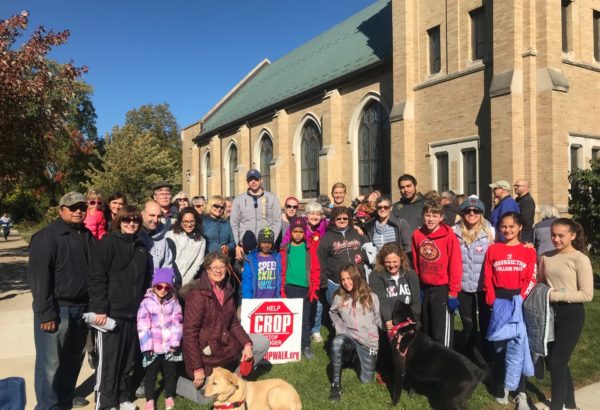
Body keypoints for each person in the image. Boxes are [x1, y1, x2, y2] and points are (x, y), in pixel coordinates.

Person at [27, 192, 93, 410]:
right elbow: (39, 279)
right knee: (50, 366)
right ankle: (47, 407)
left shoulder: (86, 235)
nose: (78, 211)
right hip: (57, 310)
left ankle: (64, 402)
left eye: (82, 207)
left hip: (81, 309)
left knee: (73, 360)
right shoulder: (46, 237)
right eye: (73, 207)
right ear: (61, 210)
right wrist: (45, 313)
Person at [88, 205, 152, 410]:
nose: (131, 224)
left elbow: (145, 281)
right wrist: (100, 308)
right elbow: (97, 277)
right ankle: (106, 403)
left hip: (134, 313)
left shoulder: (142, 247)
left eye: (135, 221)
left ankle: (123, 397)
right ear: (119, 222)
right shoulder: (108, 243)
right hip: (111, 313)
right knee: (109, 362)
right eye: (127, 220)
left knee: (127, 360)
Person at [182, 253, 270, 394]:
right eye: (214, 267)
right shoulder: (197, 295)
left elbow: (234, 323)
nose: (218, 270)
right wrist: (197, 368)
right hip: (205, 357)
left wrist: (247, 344)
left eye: (222, 266)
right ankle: (178, 383)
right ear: (207, 270)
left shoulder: (228, 290)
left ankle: (235, 382)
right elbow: (189, 334)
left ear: (227, 269)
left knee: (262, 342)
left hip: (225, 350)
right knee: (205, 398)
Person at [538, 218, 593, 410]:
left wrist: (556, 296)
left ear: (573, 235)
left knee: (557, 362)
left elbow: (587, 294)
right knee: (555, 360)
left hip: (571, 314)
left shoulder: (580, 259)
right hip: (549, 314)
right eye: (553, 235)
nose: (556, 239)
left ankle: (557, 406)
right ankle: (570, 404)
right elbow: (540, 282)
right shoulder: (545, 256)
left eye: (561, 235)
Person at [483, 212, 537, 408]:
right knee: (500, 345)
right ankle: (501, 385)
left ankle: (521, 392)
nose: (507, 230)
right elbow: (487, 275)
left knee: (518, 345)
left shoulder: (528, 250)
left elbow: (532, 277)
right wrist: (490, 296)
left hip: (518, 303)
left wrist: (521, 298)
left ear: (520, 227)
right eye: (504, 226)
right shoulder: (494, 249)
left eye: (512, 226)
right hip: (499, 301)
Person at [411, 200, 462, 348]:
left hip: (442, 288)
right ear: (422, 216)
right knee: (427, 328)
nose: (431, 219)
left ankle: (445, 363)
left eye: (435, 215)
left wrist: (453, 292)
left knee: (441, 331)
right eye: (427, 215)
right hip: (425, 287)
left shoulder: (449, 237)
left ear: (441, 217)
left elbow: (455, 265)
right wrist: (418, 285)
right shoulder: (417, 235)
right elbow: (416, 262)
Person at [328, 265, 381, 401]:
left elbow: (378, 320)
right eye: (343, 279)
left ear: (356, 277)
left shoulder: (371, 297)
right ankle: (336, 386)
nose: (346, 282)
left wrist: (390, 327)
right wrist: (339, 327)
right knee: (337, 341)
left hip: (368, 343)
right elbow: (332, 312)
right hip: (349, 338)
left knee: (366, 380)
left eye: (349, 278)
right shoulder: (339, 297)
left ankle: (354, 359)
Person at [452, 196, 495, 360]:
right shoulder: (453, 232)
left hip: (484, 286)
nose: (472, 213)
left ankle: (487, 357)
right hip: (463, 286)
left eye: (476, 210)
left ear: (481, 213)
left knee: (486, 323)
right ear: (462, 212)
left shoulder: (490, 232)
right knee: (468, 324)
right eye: (468, 210)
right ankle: (471, 356)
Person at [137, 268, 183, 410]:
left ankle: (169, 396)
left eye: (167, 287)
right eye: (159, 286)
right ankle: (150, 399)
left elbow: (177, 322)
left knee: (170, 373)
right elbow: (142, 325)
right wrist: (146, 346)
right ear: (154, 285)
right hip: (153, 347)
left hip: (169, 346)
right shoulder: (146, 303)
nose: (163, 290)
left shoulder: (174, 303)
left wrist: (175, 342)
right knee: (150, 375)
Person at [280, 217, 320, 360]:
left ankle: (306, 345)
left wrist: (314, 289)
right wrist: (282, 289)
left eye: (300, 232)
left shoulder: (309, 248)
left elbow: (315, 269)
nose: (297, 234)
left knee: (304, 319)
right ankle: (291, 345)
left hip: (305, 289)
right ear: (290, 232)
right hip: (289, 288)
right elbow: (281, 270)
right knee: (290, 318)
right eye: (295, 231)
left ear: (304, 233)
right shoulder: (285, 250)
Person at [318, 206, 367, 305]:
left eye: (345, 218)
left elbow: (367, 252)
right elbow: (321, 261)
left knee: (359, 309)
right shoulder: (327, 238)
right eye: (338, 218)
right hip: (336, 283)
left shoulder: (357, 233)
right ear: (333, 220)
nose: (342, 221)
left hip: (358, 281)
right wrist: (324, 283)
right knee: (338, 312)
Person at [230, 169, 282, 260]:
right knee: (248, 273)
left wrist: (270, 242)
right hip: (245, 247)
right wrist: (237, 244)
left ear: (261, 180)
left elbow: (277, 222)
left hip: (266, 247)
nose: (253, 181)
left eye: (256, 179)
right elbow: (234, 224)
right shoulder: (238, 200)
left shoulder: (272, 198)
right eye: (250, 179)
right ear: (247, 182)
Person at [370, 242, 420, 331]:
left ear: (401, 259)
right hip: (389, 324)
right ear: (382, 261)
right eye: (388, 262)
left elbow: (416, 302)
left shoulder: (411, 274)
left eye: (395, 261)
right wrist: (388, 319)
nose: (392, 265)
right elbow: (382, 301)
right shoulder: (375, 276)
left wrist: (410, 320)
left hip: (409, 321)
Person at [165, 207, 206, 287]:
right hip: (169, 281)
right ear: (180, 222)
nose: (189, 224)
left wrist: (185, 281)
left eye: (192, 221)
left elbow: (196, 265)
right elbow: (167, 261)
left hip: (186, 284)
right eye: (186, 221)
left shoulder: (201, 240)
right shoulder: (171, 235)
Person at [241, 227, 282, 299]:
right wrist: (248, 300)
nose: (266, 245)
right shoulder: (251, 260)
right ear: (259, 243)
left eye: (269, 242)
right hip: (256, 301)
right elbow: (247, 281)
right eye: (263, 242)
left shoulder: (277, 259)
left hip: (273, 301)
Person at [140, 200, 173, 271]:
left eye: (159, 216)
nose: (155, 220)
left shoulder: (162, 240)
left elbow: (166, 267)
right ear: (142, 214)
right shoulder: (134, 236)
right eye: (152, 215)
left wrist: (163, 281)